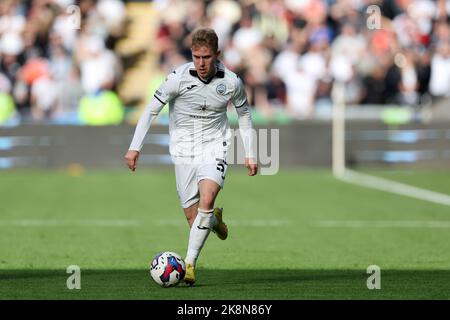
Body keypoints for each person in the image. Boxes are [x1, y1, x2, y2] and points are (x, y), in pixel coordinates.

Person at [124, 27, 258, 285]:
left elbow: (244, 115)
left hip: (214, 147)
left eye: (206, 57)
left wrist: (250, 153)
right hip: (184, 151)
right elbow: (151, 111)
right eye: (196, 56)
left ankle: (189, 265)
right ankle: (214, 220)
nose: (201, 63)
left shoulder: (231, 82)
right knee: (194, 218)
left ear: (217, 54)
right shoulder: (177, 78)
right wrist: (134, 146)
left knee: (207, 198)